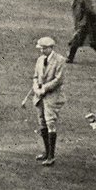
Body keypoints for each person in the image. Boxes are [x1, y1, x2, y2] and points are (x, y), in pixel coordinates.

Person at [30, 36, 66, 166]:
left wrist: (44, 88)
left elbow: (58, 80)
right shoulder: (40, 60)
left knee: (50, 123)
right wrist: (35, 87)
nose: (41, 51)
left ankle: (51, 156)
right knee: (42, 123)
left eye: (44, 48)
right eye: (41, 49)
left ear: (51, 48)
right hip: (40, 96)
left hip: (52, 97)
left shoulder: (60, 60)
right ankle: (46, 152)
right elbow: (35, 76)